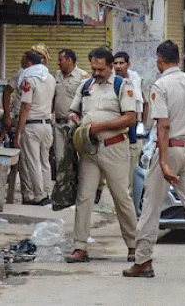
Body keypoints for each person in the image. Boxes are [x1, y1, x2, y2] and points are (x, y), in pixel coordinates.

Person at [122, 40, 185, 281]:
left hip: (171, 148)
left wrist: (164, 162)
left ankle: (143, 261)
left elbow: (162, 124)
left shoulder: (160, 85)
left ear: (159, 60)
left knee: (151, 206)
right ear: (179, 58)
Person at [66, 47, 138, 263]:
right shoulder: (86, 86)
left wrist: (99, 126)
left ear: (110, 66)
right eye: (93, 68)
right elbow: (74, 110)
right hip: (89, 149)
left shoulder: (122, 87)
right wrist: (73, 119)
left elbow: (130, 118)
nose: (96, 73)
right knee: (84, 197)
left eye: (100, 69)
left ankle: (134, 245)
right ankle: (80, 246)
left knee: (121, 197)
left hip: (114, 147)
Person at [95, 51, 148, 202]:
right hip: (111, 130)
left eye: (121, 63)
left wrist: (142, 125)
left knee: (130, 168)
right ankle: (99, 189)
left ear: (128, 64)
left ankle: (128, 199)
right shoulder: (109, 82)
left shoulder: (135, 80)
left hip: (131, 131)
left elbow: (144, 102)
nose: (118, 66)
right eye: (116, 63)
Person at [14, 50, 56, 206]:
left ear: (29, 63)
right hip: (47, 125)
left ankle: (38, 195)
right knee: (45, 161)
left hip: (32, 126)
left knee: (33, 162)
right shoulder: (50, 78)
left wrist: (18, 132)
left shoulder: (29, 80)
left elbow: (25, 106)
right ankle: (47, 192)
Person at [53, 49, 88, 185]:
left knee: (76, 157)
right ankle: (64, 187)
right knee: (60, 157)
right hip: (58, 123)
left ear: (70, 60)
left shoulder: (82, 76)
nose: (58, 63)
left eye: (61, 59)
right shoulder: (57, 75)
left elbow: (86, 100)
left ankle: (78, 186)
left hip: (74, 124)